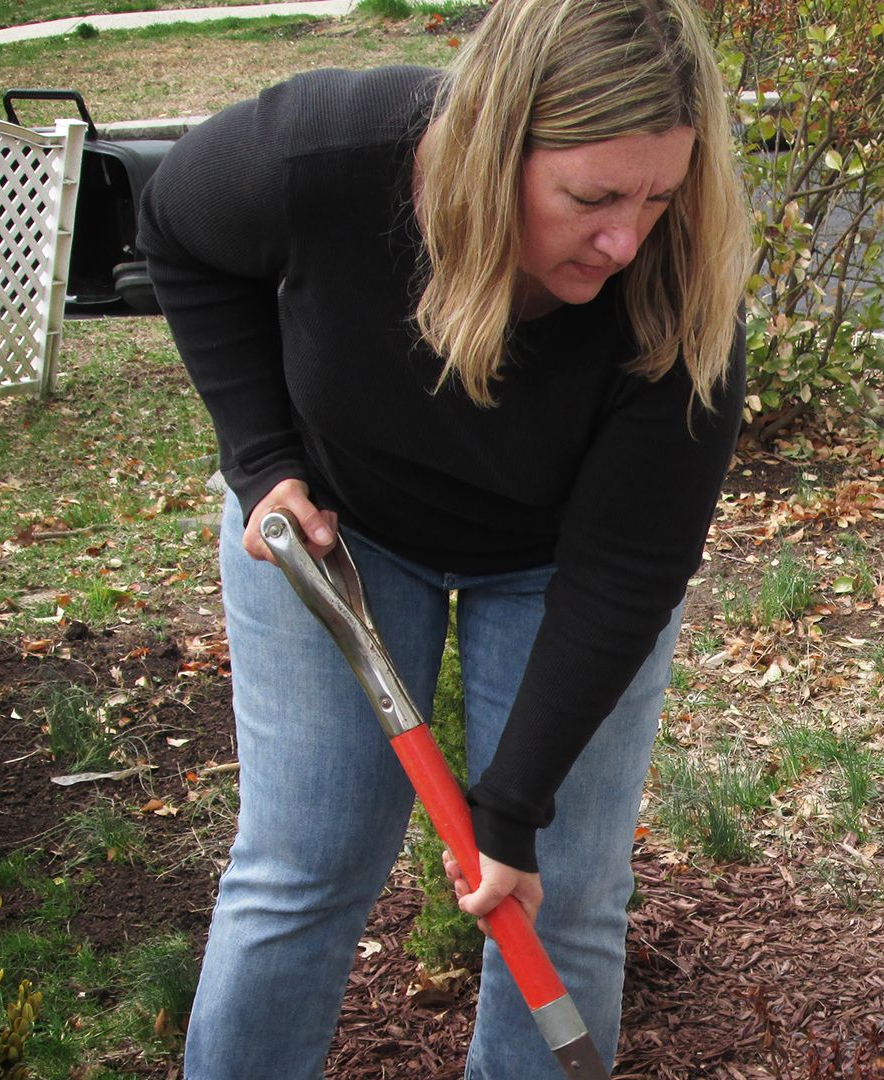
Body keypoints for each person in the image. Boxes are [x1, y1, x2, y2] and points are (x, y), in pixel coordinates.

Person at [135, 0, 749, 1073]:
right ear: (489, 148)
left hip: (560, 565)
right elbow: (181, 231)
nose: (626, 237)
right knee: (301, 870)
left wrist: (511, 815)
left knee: (564, 895)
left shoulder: (680, 280)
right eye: (592, 196)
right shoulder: (328, 156)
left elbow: (626, 572)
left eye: (659, 193)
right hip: (339, 532)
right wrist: (262, 463)